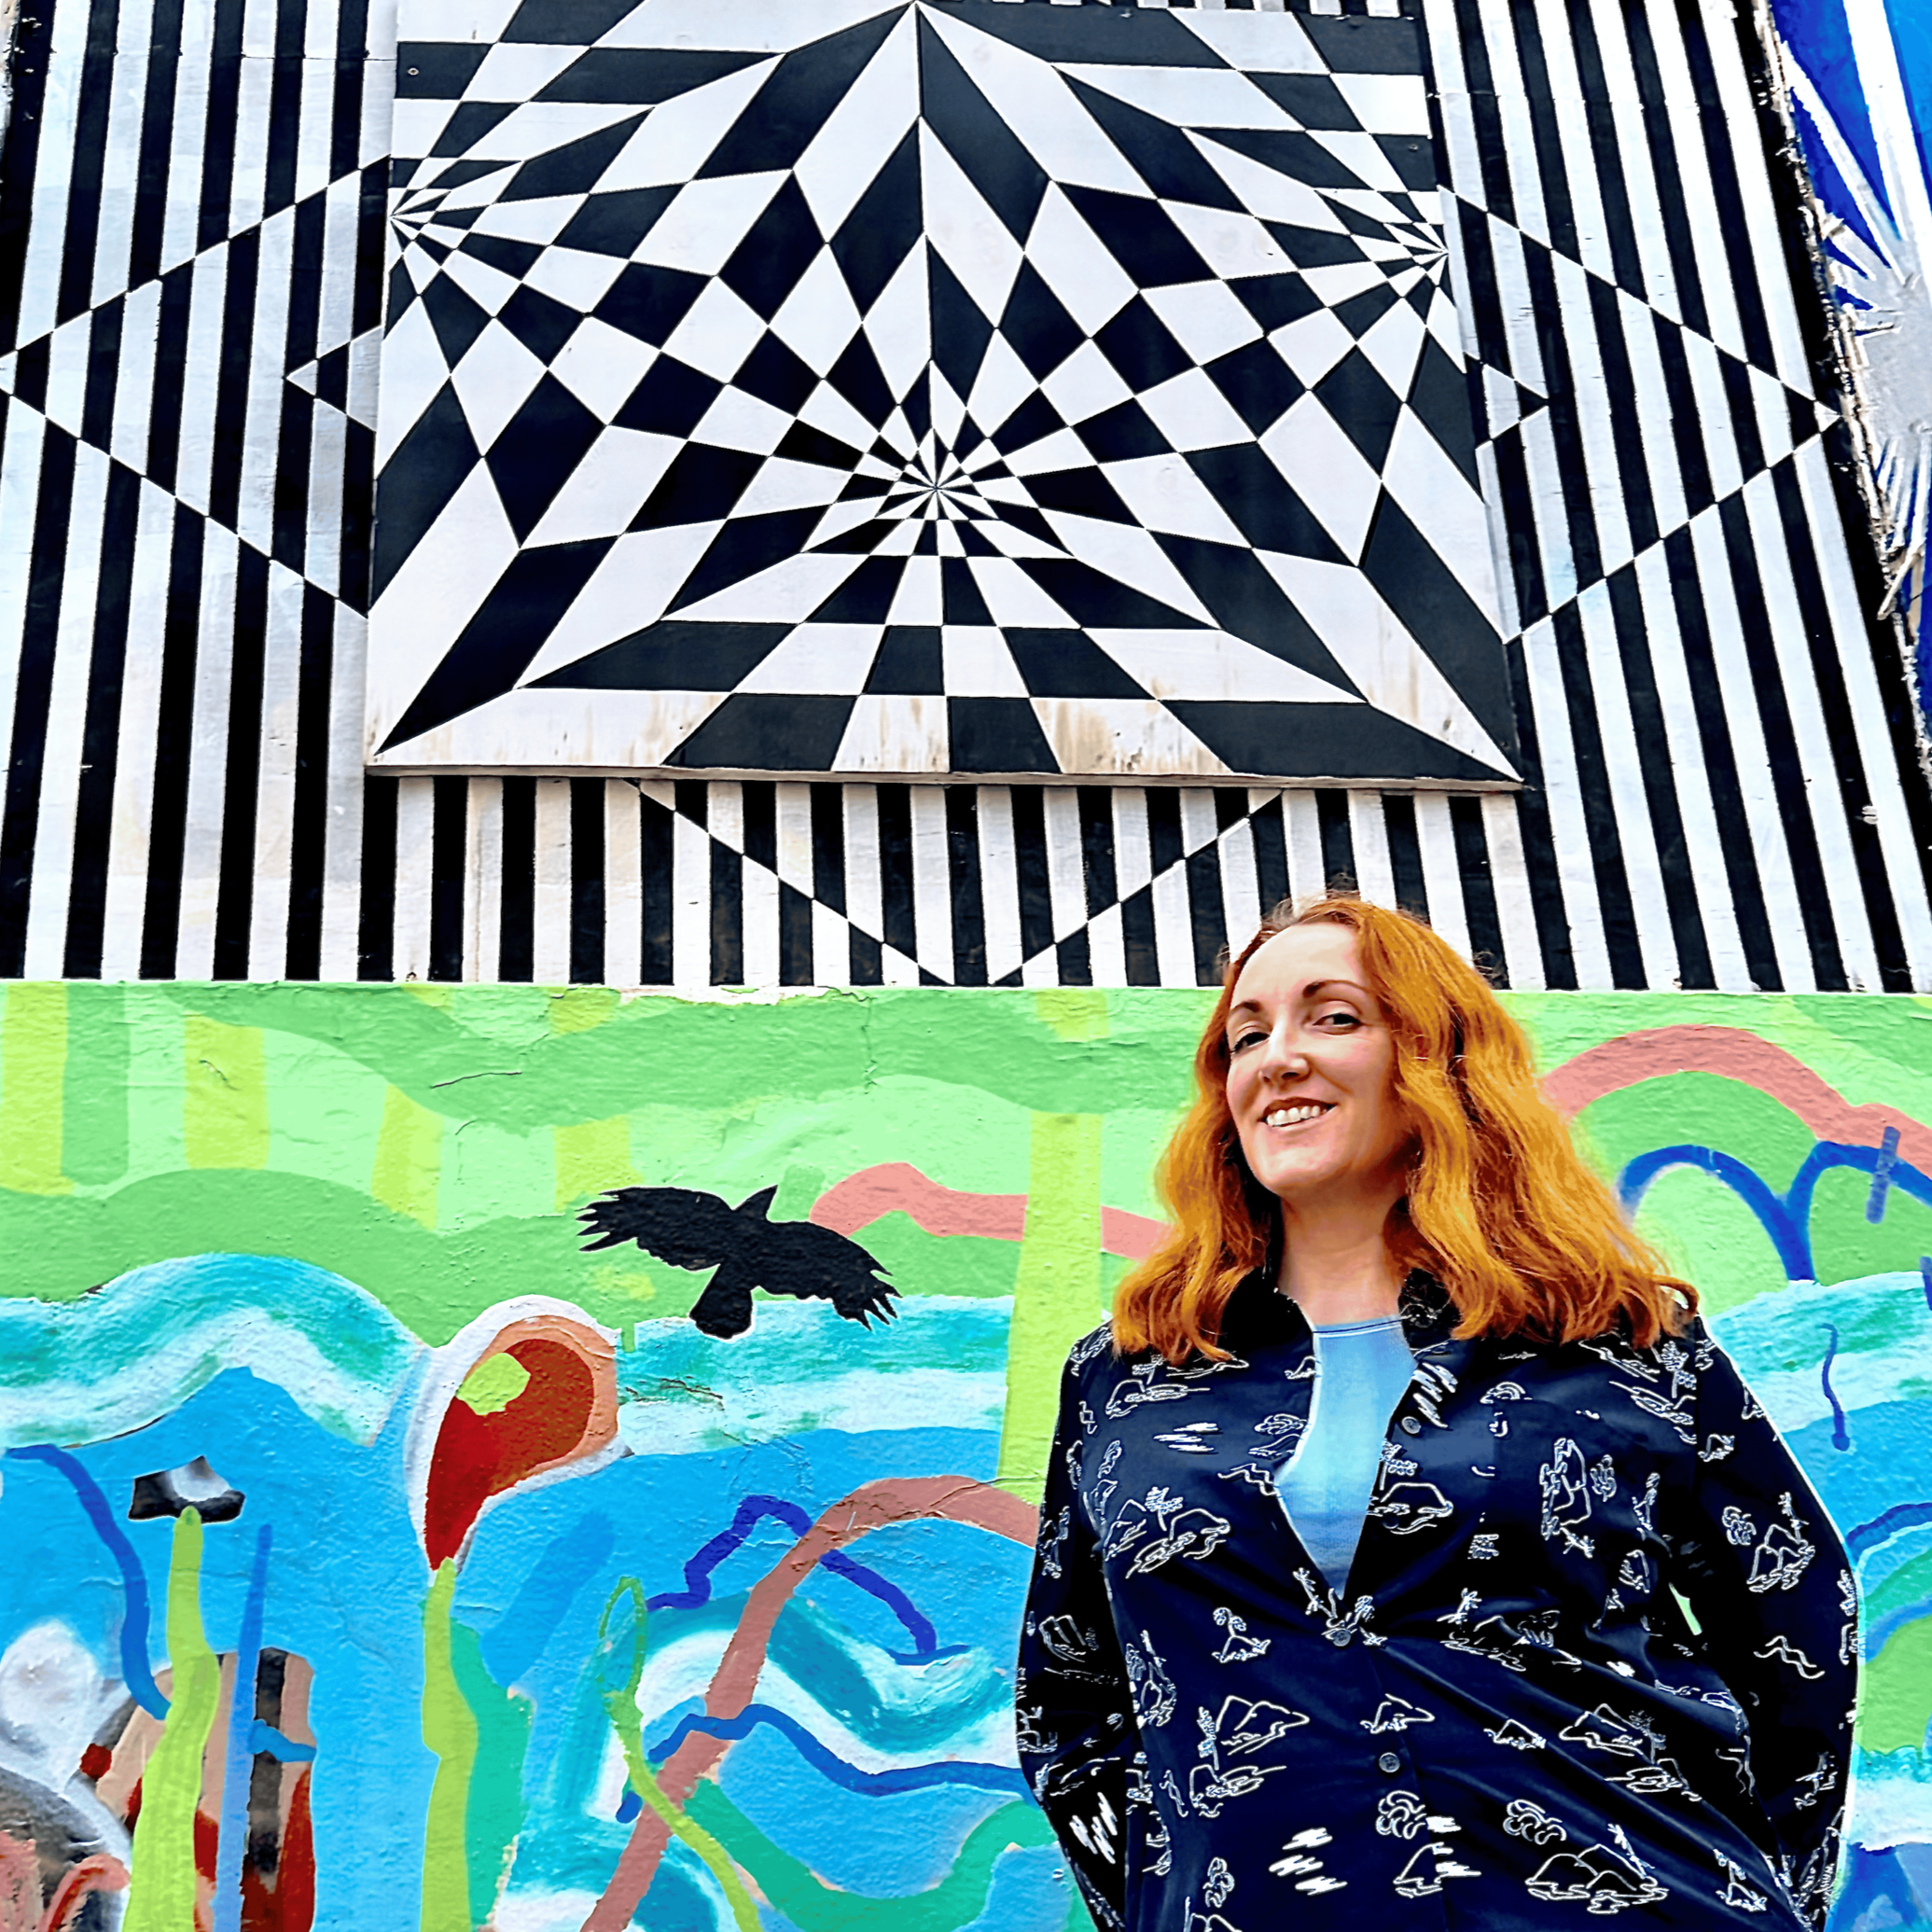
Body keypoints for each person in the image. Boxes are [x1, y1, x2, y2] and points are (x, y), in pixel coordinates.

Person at [1015, 896, 1855, 1932]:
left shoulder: (1617, 1338)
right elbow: (1068, 1701)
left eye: (1333, 1017)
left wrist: (1758, 1895)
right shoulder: (1129, 1373)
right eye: (1248, 1033)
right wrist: (1168, 1900)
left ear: (1437, 1062)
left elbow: (1799, 1643)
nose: (1277, 1057)